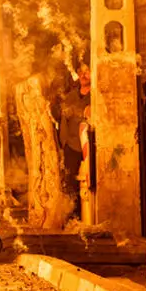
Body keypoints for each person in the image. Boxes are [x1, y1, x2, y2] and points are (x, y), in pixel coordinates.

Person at [59, 63, 92, 216]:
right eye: (81, 72)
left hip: (90, 147)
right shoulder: (70, 97)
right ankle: (74, 215)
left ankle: (90, 214)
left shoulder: (97, 96)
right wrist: (64, 143)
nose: (84, 75)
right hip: (72, 146)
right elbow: (63, 122)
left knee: (90, 181)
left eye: (87, 72)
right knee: (70, 181)